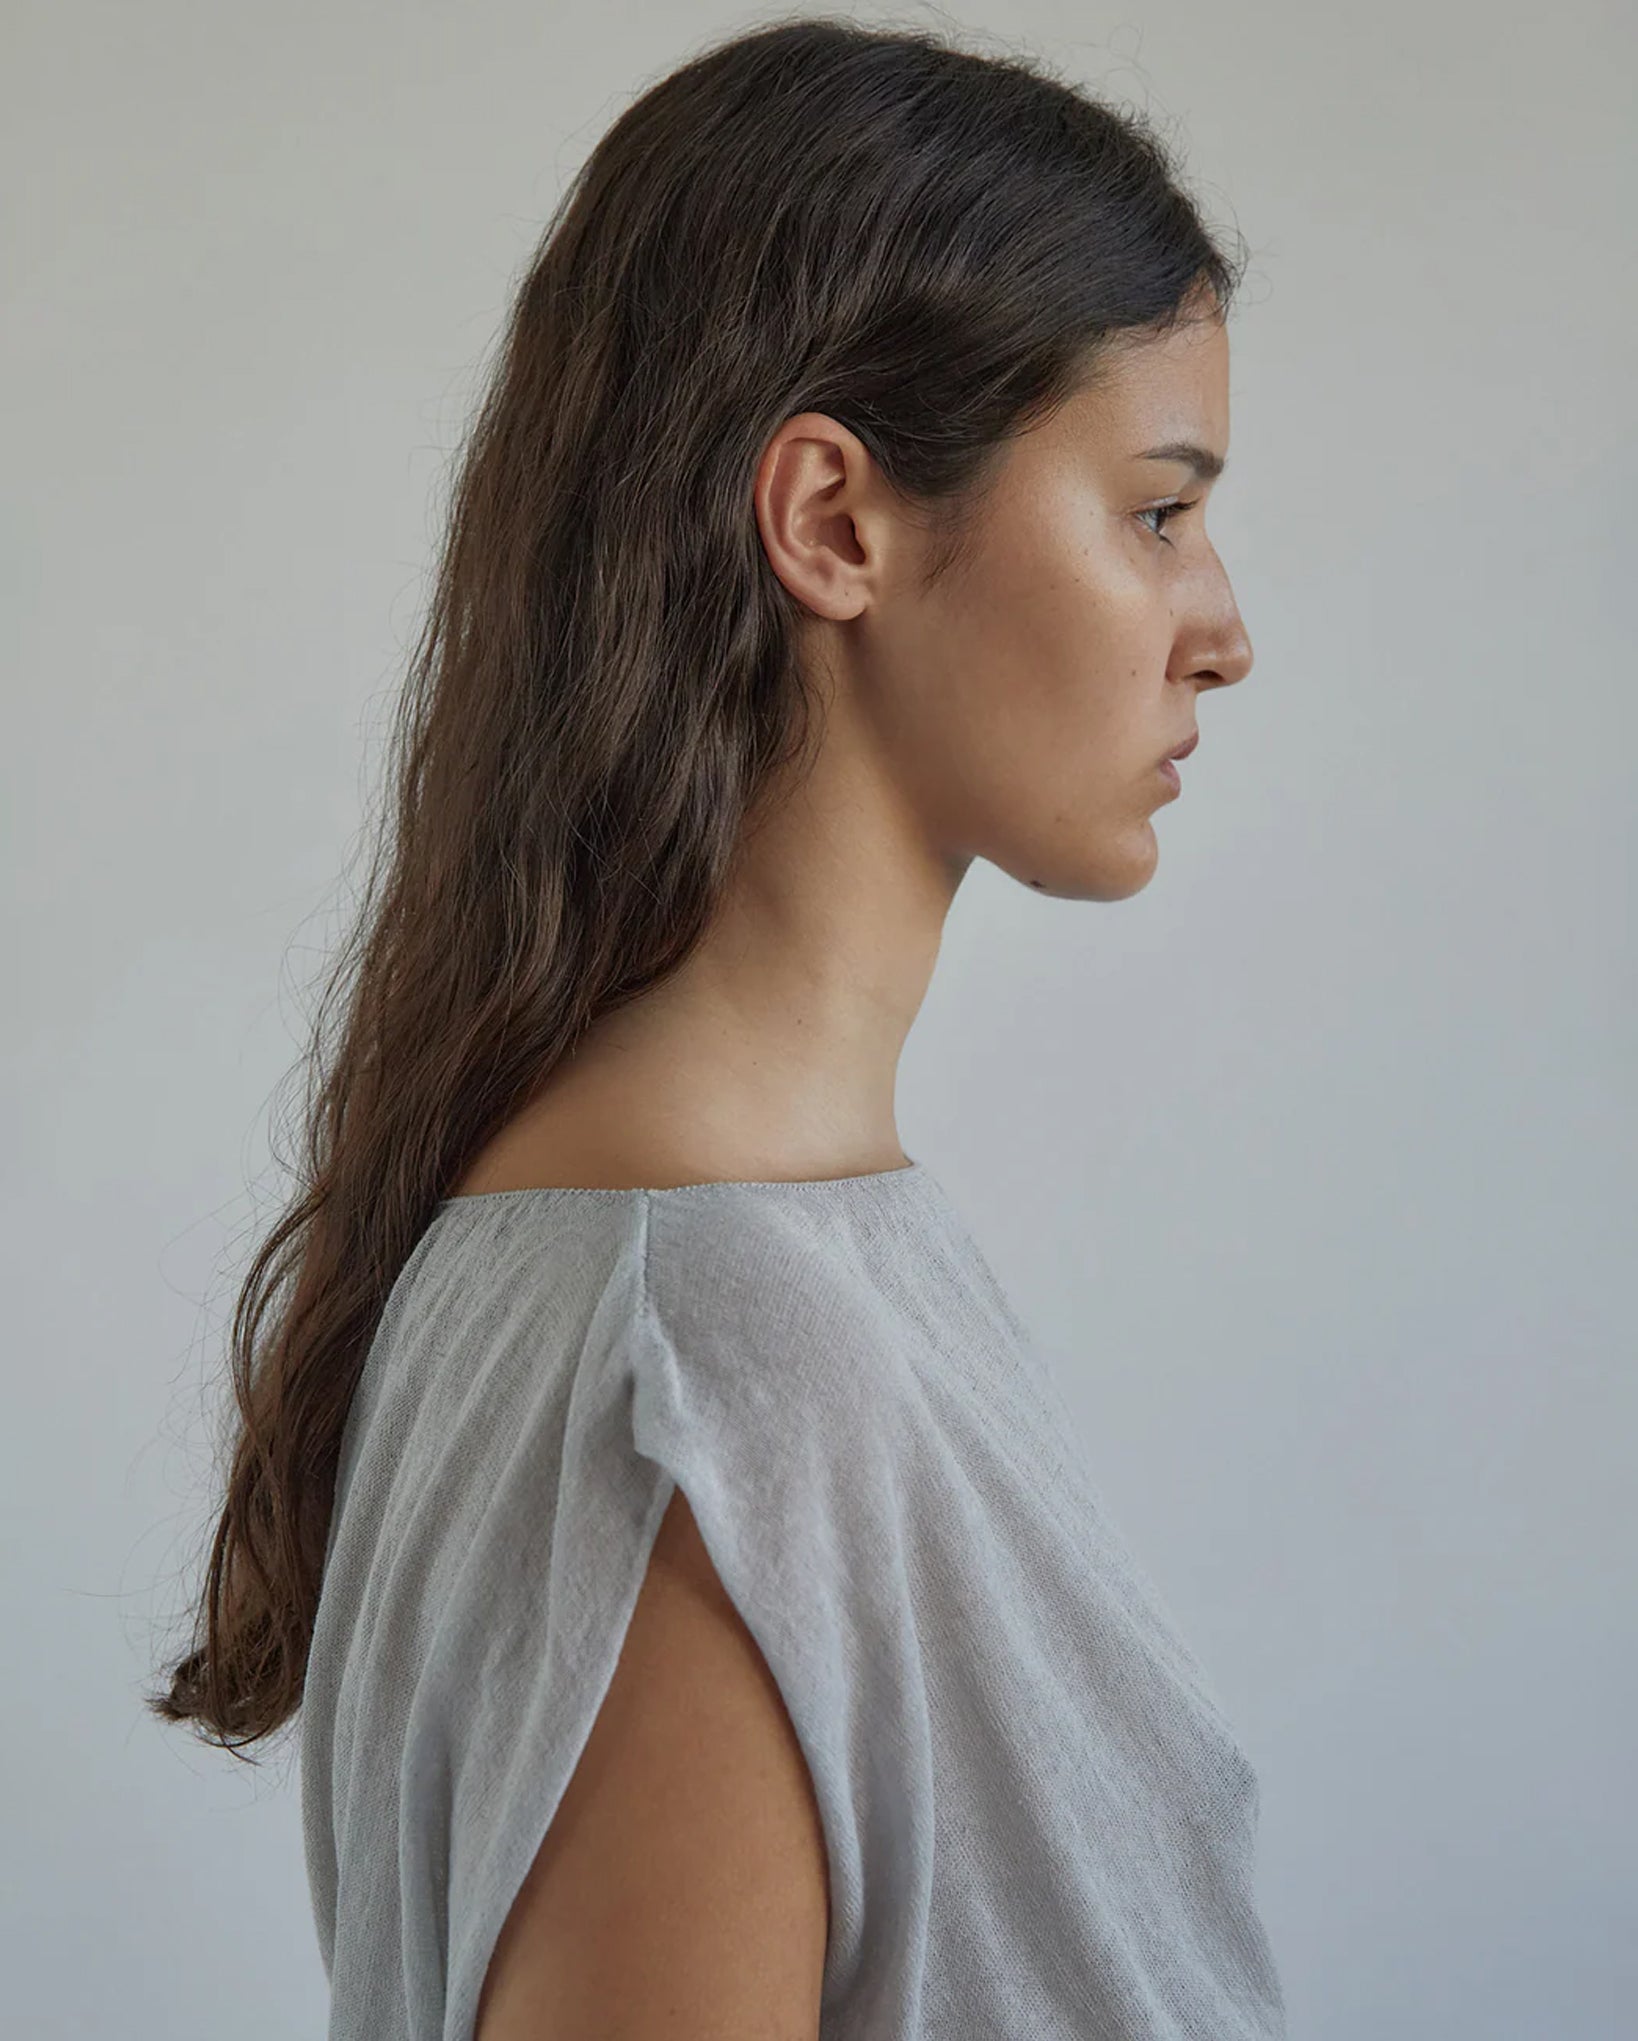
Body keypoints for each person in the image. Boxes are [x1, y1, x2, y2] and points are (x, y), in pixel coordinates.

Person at [151, 18, 1277, 2038]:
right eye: (1154, 511)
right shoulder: (715, 1348)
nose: (1223, 628)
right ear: (833, 521)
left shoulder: (717, 1262)